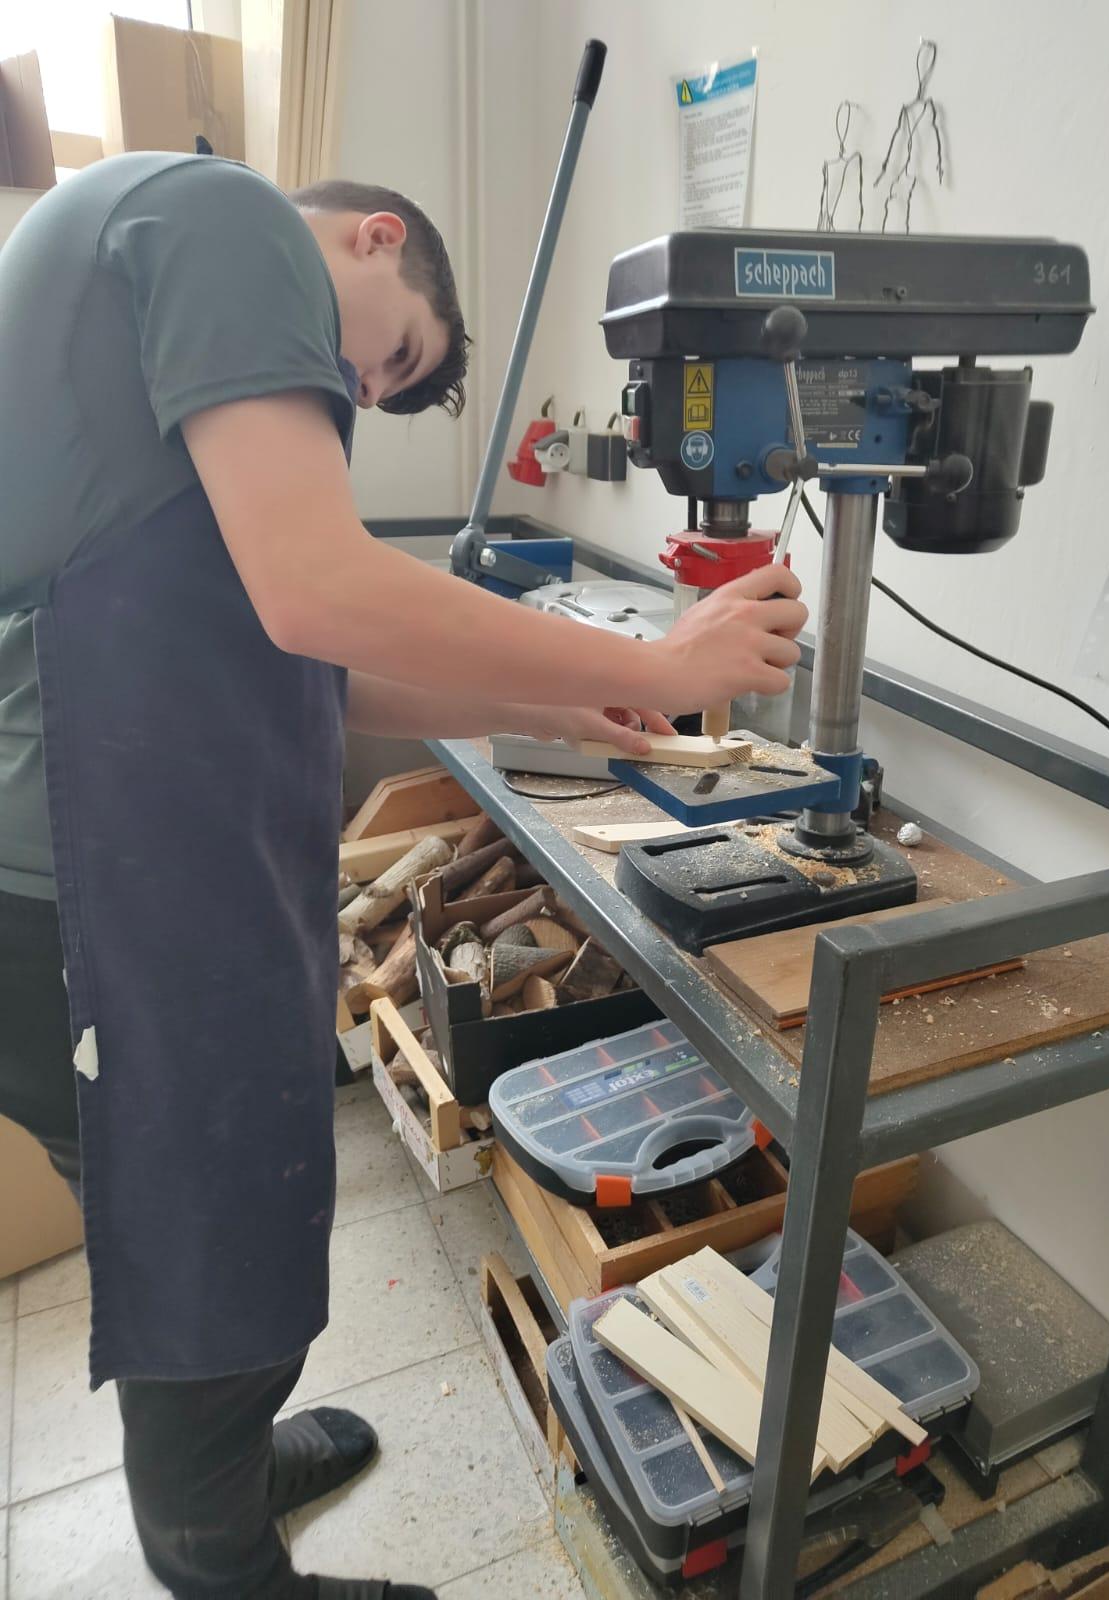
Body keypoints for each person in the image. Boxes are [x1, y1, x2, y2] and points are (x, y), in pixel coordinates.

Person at [0, 152, 807, 1598]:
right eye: (395, 358)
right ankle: (222, 1568)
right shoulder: (225, 216)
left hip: (106, 867)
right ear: (376, 240)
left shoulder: (150, 302)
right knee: (201, 1254)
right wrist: (657, 662)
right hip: (95, 889)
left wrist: (562, 707)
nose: (362, 393)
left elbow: (313, 656)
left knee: (193, 1226)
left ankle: (228, 1474)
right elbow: (321, 588)